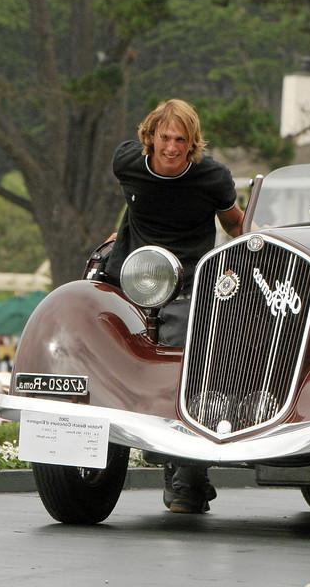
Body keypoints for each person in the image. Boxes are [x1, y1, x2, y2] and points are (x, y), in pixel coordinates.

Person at [105, 98, 244, 514]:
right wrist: (116, 237)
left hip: (190, 281)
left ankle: (188, 472)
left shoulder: (212, 176)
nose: (171, 147)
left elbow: (235, 222)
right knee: (93, 330)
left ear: (192, 144)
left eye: (180, 140)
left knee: (183, 354)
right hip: (133, 276)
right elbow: (133, 204)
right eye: (164, 137)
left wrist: (251, 242)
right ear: (149, 138)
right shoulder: (126, 161)